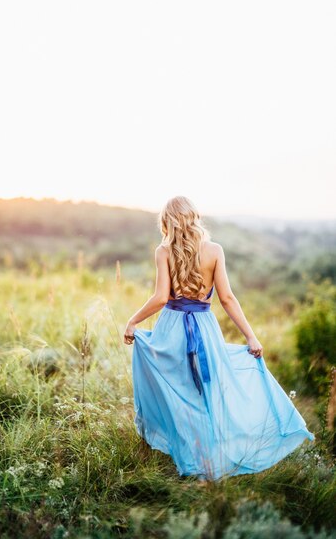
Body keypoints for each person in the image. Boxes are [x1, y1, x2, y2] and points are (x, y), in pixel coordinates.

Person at [124, 196, 315, 481]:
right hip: (203, 328)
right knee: (206, 392)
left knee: (178, 391)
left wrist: (133, 321)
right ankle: (207, 460)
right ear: (194, 217)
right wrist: (251, 336)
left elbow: (161, 297)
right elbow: (226, 297)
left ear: (168, 222)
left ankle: (189, 457)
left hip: (171, 328)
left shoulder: (163, 252)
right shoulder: (214, 251)